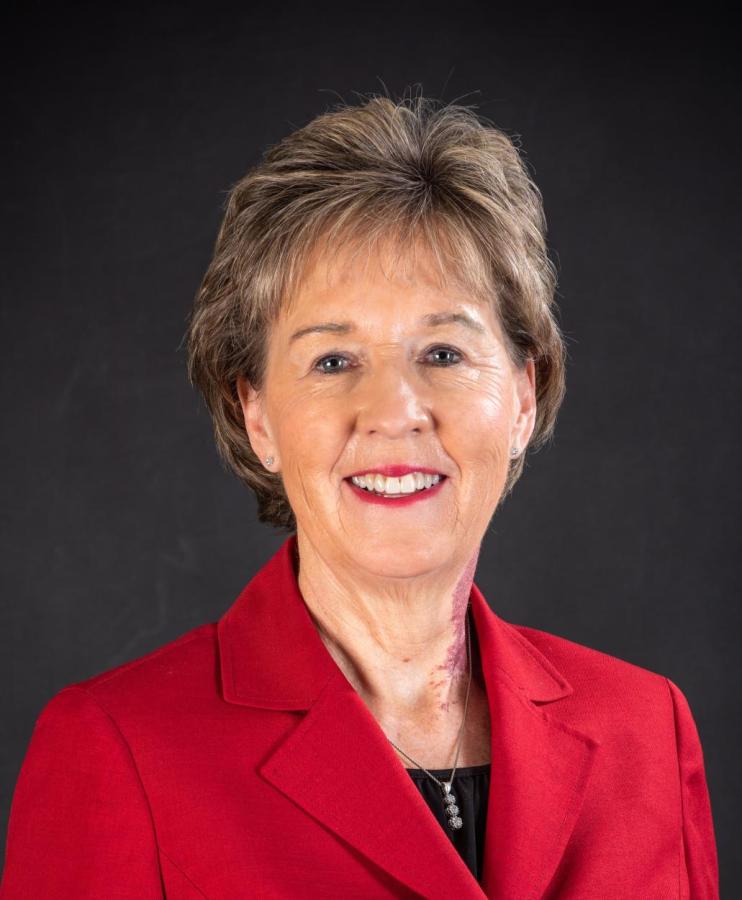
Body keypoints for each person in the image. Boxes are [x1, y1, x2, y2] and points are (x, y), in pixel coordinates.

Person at [0, 93, 719, 899]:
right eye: (334, 361)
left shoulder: (646, 732)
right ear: (258, 415)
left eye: (443, 352)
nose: (394, 412)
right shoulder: (118, 750)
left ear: (523, 396)